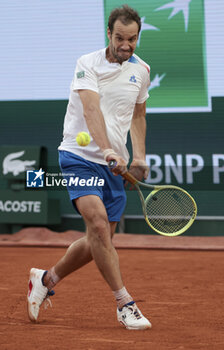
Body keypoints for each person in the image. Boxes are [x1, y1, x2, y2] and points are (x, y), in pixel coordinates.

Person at [27, 5, 151, 330]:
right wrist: (107, 148)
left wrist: (138, 156)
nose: (126, 45)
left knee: (101, 238)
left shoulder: (143, 71)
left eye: (133, 39)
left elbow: (138, 115)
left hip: (114, 166)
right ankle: (125, 303)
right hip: (78, 156)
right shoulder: (87, 63)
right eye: (120, 38)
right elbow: (91, 108)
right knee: (97, 226)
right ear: (109, 34)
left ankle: (46, 278)